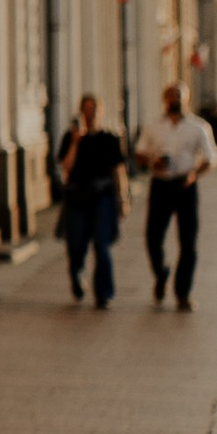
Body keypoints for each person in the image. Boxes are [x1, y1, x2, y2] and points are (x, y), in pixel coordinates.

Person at [135, 80, 217, 309]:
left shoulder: (198, 127)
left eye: (180, 96)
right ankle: (161, 274)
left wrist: (194, 174)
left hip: (185, 186)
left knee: (188, 242)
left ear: (187, 99)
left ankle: (183, 293)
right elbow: (140, 153)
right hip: (160, 184)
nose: (176, 100)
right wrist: (153, 160)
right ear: (165, 99)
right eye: (172, 96)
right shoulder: (153, 126)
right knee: (153, 238)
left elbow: (211, 158)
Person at [57, 93, 127, 308]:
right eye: (87, 109)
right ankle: (77, 275)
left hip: (102, 196)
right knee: (76, 245)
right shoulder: (71, 138)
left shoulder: (109, 138)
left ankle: (104, 293)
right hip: (77, 195)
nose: (91, 113)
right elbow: (66, 168)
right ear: (81, 112)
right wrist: (76, 142)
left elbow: (119, 170)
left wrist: (123, 198)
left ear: (101, 112)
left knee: (102, 245)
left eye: (95, 109)